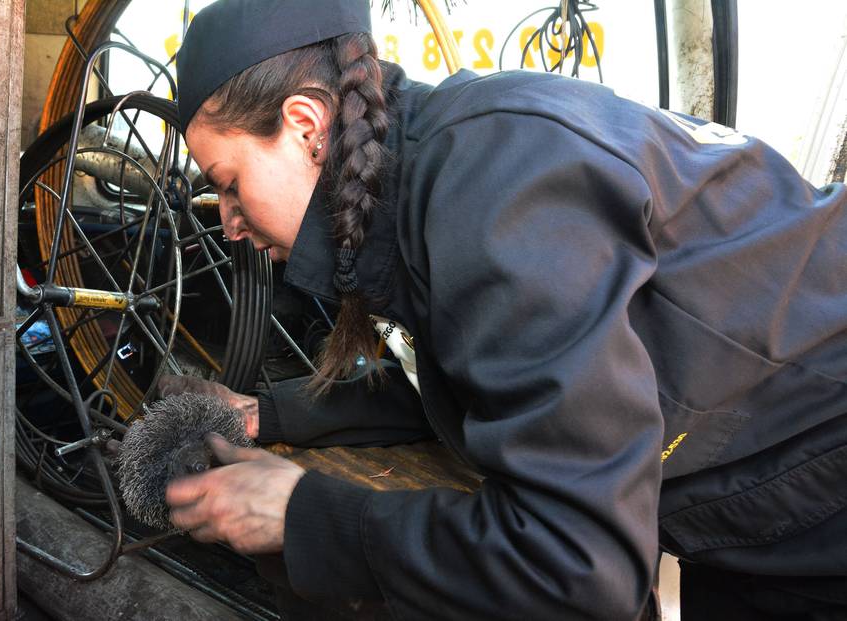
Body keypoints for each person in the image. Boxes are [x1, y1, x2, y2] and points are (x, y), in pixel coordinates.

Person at [163, 0, 847, 619]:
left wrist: (302, 512)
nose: (227, 223)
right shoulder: (430, 162)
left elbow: (578, 567)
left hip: (817, 464)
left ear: (306, 124)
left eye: (229, 185)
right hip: (747, 475)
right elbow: (481, 379)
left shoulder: (499, 206)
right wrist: (272, 414)